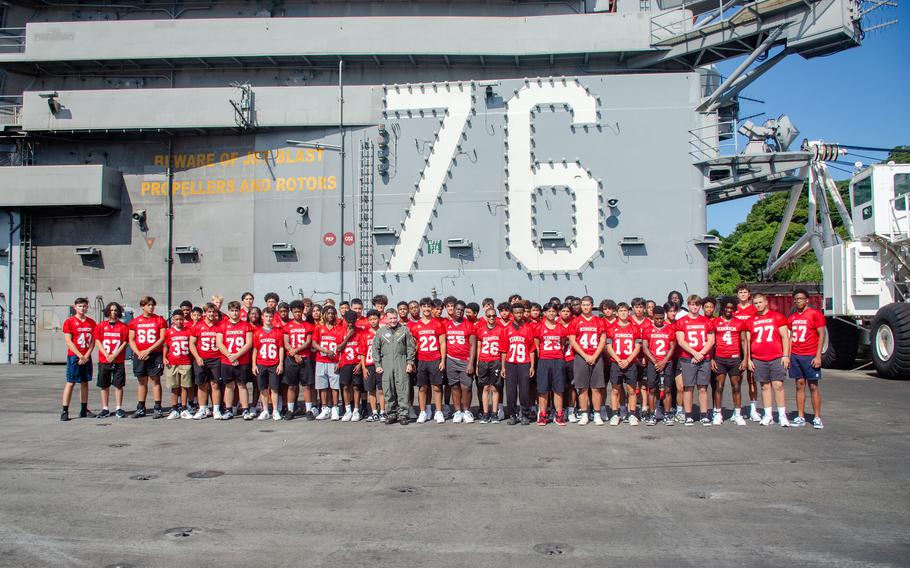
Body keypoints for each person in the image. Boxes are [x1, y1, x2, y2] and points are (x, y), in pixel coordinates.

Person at [744, 293, 791, 427]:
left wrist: (786, 355)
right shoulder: (750, 320)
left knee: (778, 385)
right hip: (759, 358)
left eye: (760, 302)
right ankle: (768, 414)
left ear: (766, 302)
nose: (758, 305)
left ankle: (782, 415)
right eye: (756, 303)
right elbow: (747, 341)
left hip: (776, 356)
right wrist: (748, 359)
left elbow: (785, 337)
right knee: (764, 386)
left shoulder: (777, 316)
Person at [674, 295, 715, 426]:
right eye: (692, 304)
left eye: (697, 305)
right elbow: (681, 341)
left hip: (704, 358)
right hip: (688, 358)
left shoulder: (706, 321)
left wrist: (701, 353)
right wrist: (694, 353)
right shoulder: (681, 321)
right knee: (688, 387)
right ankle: (688, 415)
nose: (695, 307)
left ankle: (704, 414)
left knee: (703, 388)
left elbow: (711, 340)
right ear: (688, 305)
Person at [788, 289, 826, 429]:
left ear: (807, 300)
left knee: (813, 386)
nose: (798, 301)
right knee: (799, 385)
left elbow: (821, 335)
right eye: (796, 299)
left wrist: (818, 356)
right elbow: (791, 337)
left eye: (801, 298)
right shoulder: (792, 317)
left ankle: (817, 417)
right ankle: (800, 416)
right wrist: (789, 355)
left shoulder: (815, 314)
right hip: (796, 355)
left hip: (810, 355)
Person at [373, 307, 416, 425]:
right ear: (386, 318)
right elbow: (375, 349)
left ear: (397, 318)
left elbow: (410, 348)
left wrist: (409, 363)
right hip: (386, 364)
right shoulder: (380, 332)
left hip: (401, 362)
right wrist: (377, 364)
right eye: (390, 318)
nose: (393, 320)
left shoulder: (404, 330)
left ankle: (403, 414)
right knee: (388, 389)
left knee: (403, 389)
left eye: (394, 318)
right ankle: (391, 414)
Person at [567, 296, 607, 425]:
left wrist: (594, 356)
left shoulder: (599, 321)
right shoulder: (575, 321)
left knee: (596, 388)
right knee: (582, 387)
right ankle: (584, 414)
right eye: (583, 305)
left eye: (587, 305)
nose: (585, 307)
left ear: (592, 306)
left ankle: (596, 414)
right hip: (581, 357)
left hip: (596, 356)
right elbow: (572, 340)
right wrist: (585, 356)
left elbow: (603, 340)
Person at [128, 296, 167, 419]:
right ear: (142, 306)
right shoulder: (135, 321)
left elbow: (162, 338)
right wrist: (138, 352)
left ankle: (157, 407)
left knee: (155, 380)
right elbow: (131, 339)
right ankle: (140, 408)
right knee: (141, 381)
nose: (151, 307)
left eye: (152, 305)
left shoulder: (159, 320)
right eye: (148, 305)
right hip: (140, 355)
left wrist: (148, 350)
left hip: (155, 354)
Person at [409, 297, 447, 423]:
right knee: (422, 388)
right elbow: (413, 346)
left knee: (436, 387)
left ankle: (439, 411)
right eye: (424, 306)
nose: (426, 309)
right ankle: (423, 412)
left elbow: (442, 343)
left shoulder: (438, 323)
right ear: (421, 308)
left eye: (428, 307)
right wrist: (412, 361)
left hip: (435, 359)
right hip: (421, 360)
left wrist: (442, 360)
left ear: (432, 308)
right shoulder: (416, 326)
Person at [712, 299, 748, 425]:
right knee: (719, 386)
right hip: (720, 358)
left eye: (731, 308)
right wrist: (711, 358)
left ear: (734, 309)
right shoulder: (715, 321)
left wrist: (745, 358)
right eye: (726, 307)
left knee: (736, 386)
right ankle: (717, 414)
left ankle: (737, 414)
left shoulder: (739, 322)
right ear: (722, 308)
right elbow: (711, 342)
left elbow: (744, 341)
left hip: (734, 358)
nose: (728, 310)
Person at [215, 301, 254, 420]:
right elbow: (219, 343)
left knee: (242, 385)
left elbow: (249, 343)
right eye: (232, 310)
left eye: (237, 310)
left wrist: (236, 355)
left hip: (242, 360)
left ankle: (245, 410)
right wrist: (230, 356)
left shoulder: (246, 325)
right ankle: (228, 410)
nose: (235, 313)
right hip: (227, 361)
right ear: (229, 311)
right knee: (229, 385)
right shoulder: (222, 325)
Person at [605, 303, 642, 426]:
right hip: (616, 363)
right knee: (616, 389)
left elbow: (637, 347)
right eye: (621, 311)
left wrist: (628, 360)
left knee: (631, 390)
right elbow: (609, 347)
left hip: (630, 363)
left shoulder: (634, 328)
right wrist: (618, 360)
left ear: (629, 312)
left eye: (625, 310)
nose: (623, 313)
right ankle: (615, 414)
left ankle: (632, 414)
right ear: (617, 312)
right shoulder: (611, 328)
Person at [61, 297, 96, 421]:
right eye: (80, 306)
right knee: (71, 382)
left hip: (86, 356)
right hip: (74, 356)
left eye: (84, 306)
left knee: (85, 382)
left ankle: (84, 409)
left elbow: (92, 341)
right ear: (75, 307)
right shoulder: (69, 322)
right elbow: (68, 341)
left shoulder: (91, 322)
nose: (82, 308)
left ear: (87, 307)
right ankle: (65, 410)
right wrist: (80, 355)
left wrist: (86, 355)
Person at [500, 303, 536, 425]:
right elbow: (504, 350)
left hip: (524, 363)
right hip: (511, 363)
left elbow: (531, 349)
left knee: (524, 390)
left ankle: (524, 414)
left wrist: (531, 365)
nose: (519, 315)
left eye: (521, 312)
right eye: (516, 313)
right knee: (510, 391)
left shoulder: (528, 328)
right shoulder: (506, 329)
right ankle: (512, 414)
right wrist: (503, 366)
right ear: (512, 314)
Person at [94, 302, 129, 418]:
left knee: (118, 385)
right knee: (104, 385)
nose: (113, 312)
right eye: (111, 310)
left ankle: (118, 408)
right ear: (107, 311)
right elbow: (98, 341)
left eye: (115, 310)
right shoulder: (101, 325)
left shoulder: (123, 326)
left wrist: (115, 354)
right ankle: (105, 408)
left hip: (118, 360)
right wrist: (106, 354)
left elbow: (125, 342)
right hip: (104, 360)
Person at [535, 302, 568, 425]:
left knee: (558, 389)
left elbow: (563, 343)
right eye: (549, 311)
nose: (551, 313)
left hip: (558, 360)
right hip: (544, 360)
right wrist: (543, 358)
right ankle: (543, 414)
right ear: (544, 313)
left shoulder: (561, 328)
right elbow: (537, 345)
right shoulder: (539, 327)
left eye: (553, 311)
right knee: (543, 389)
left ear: (557, 313)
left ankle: (559, 414)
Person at [642, 306, 676, 425]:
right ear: (653, 317)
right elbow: (645, 348)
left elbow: (672, 347)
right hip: (653, 363)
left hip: (666, 362)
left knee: (667, 389)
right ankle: (652, 415)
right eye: (657, 318)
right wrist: (656, 362)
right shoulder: (647, 329)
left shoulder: (670, 329)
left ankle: (667, 414)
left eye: (662, 318)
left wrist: (664, 361)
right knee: (652, 389)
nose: (660, 321)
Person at [312, 305, 347, 420]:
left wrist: (339, 362)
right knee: (322, 386)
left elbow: (342, 348)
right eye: (328, 313)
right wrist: (325, 351)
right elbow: (314, 344)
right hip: (321, 360)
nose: (330, 315)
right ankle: (324, 408)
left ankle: (335, 409)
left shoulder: (339, 329)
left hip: (334, 361)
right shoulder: (319, 328)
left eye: (332, 313)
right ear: (324, 315)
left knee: (334, 386)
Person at [445, 300, 476, 424]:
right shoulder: (446, 324)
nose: (459, 311)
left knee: (466, 387)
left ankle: (466, 410)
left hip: (465, 360)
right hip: (451, 359)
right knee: (454, 386)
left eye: (462, 310)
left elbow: (473, 345)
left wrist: (470, 363)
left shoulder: (469, 324)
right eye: (457, 309)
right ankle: (457, 411)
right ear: (453, 309)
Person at [189, 303, 221, 419]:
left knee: (215, 384)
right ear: (205, 313)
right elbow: (191, 344)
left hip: (216, 358)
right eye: (209, 312)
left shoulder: (220, 326)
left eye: (213, 312)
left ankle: (216, 409)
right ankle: (202, 408)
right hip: (202, 358)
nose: (211, 314)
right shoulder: (197, 326)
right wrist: (197, 357)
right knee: (201, 384)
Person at [733, 283, 761, 420]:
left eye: (745, 292)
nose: (743, 294)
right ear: (737, 295)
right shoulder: (733, 309)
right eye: (740, 292)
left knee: (752, 379)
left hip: (751, 347)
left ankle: (753, 409)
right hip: (736, 347)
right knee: (736, 380)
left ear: (749, 294)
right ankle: (736, 410)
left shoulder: (754, 309)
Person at [283, 300, 314, 419]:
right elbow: (286, 343)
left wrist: (296, 351)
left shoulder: (308, 326)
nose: (297, 314)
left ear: (302, 312)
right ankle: (290, 410)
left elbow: (308, 342)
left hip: (305, 358)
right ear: (292, 312)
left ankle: (309, 410)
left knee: (306, 385)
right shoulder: (287, 326)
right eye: (295, 312)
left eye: (299, 312)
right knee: (291, 385)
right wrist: (295, 354)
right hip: (291, 359)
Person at [253, 307, 285, 421]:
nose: (268, 318)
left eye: (270, 316)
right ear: (262, 317)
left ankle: (275, 410)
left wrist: (280, 364)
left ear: (273, 318)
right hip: (261, 363)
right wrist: (254, 364)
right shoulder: (257, 332)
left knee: (274, 388)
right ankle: (265, 410)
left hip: (273, 363)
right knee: (263, 388)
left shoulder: (277, 332)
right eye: (266, 316)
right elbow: (255, 349)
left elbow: (281, 348)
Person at [474, 307, 503, 424]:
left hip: (495, 361)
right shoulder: (480, 330)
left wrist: (502, 364)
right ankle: (485, 413)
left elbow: (503, 349)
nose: (491, 318)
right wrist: (477, 363)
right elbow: (479, 347)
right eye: (489, 316)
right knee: (485, 388)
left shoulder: (501, 330)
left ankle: (495, 413)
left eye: (493, 316)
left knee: (495, 388)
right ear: (485, 317)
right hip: (484, 361)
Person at [163, 309, 193, 419]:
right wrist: (164, 357)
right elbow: (166, 345)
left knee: (184, 386)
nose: (179, 321)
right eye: (177, 319)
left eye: (181, 319)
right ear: (173, 320)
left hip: (185, 361)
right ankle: (175, 408)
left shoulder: (189, 330)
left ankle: (184, 408)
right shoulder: (169, 331)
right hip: (173, 362)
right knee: (174, 387)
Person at [337, 310, 364, 421]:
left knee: (357, 387)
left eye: (352, 321)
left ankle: (356, 410)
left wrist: (359, 364)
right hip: (345, 363)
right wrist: (348, 336)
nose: (350, 324)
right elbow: (338, 348)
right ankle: (348, 410)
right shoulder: (341, 332)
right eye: (348, 322)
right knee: (346, 386)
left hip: (356, 363)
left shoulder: (361, 332)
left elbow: (364, 350)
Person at [360, 309, 385, 422]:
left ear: (379, 319)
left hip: (381, 365)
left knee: (382, 390)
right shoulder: (364, 334)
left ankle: (383, 412)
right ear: (368, 320)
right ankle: (374, 412)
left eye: (375, 319)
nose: (373, 321)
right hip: (369, 365)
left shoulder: (384, 332)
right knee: (371, 390)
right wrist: (364, 368)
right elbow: (362, 353)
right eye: (370, 319)